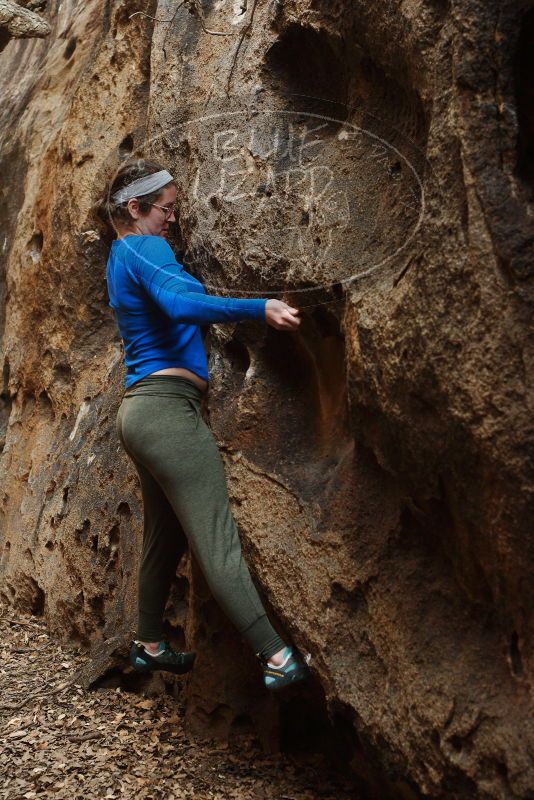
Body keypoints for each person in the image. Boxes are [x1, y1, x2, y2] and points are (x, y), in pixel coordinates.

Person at [94, 157, 311, 691]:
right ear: (135, 208)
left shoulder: (120, 256)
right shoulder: (146, 246)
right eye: (165, 209)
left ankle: (148, 644)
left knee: (163, 535)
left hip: (139, 412)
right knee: (215, 535)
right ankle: (276, 656)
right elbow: (180, 303)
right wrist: (259, 307)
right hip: (167, 410)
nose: (172, 218)